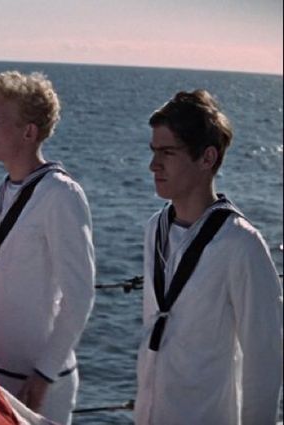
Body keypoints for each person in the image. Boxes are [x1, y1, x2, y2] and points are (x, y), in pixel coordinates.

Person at [135, 90, 283, 424]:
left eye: (168, 152)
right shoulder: (154, 229)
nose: (153, 165)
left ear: (207, 158)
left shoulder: (240, 244)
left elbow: (264, 359)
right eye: (154, 151)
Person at [0, 71, 95, 424]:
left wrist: (45, 374)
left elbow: (79, 296)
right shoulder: (7, 188)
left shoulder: (61, 195)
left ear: (28, 132)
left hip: (38, 384)